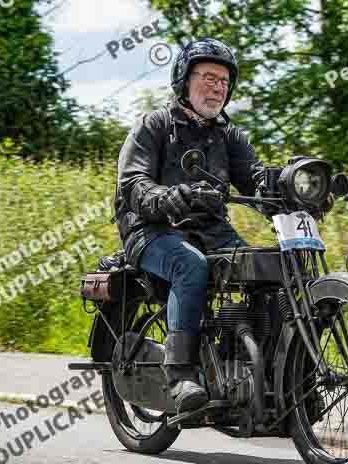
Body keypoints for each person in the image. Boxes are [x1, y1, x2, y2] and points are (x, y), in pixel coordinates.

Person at [114, 38, 268, 414]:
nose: (218, 87)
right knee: (190, 264)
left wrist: (301, 188)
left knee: (268, 269)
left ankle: (269, 372)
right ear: (184, 79)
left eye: (224, 82)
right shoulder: (155, 125)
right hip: (151, 229)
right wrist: (169, 197)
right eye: (209, 77)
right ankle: (180, 374)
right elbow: (133, 184)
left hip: (211, 230)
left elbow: (258, 182)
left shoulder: (229, 136)